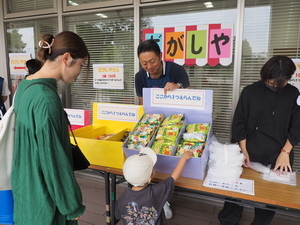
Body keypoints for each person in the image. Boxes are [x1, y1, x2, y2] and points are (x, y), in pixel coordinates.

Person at [11, 31, 90, 225]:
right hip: (46, 198)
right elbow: (53, 159)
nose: (79, 72)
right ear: (66, 58)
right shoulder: (46, 99)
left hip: (25, 189)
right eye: (80, 65)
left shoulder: (25, 86)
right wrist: (71, 205)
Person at [218, 55, 300, 225]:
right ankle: (228, 221)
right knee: (235, 194)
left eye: (280, 83)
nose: (275, 87)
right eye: (271, 83)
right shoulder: (250, 91)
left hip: (279, 154)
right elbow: (239, 123)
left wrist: (285, 152)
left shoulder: (293, 94)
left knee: (269, 198)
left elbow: (297, 126)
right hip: (248, 150)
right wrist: (244, 151)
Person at [115, 147, 192, 225]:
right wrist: (183, 159)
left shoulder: (123, 196)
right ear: (149, 179)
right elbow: (173, 178)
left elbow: (118, 214)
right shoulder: (155, 192)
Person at [135, 39, 190, 105]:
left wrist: (178, 86)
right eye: (144, 63)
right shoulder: (140, 76)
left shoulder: (177, 70)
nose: (149, 66)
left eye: (152, 62)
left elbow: (188, 95)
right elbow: (142, 103)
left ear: (160, 56)